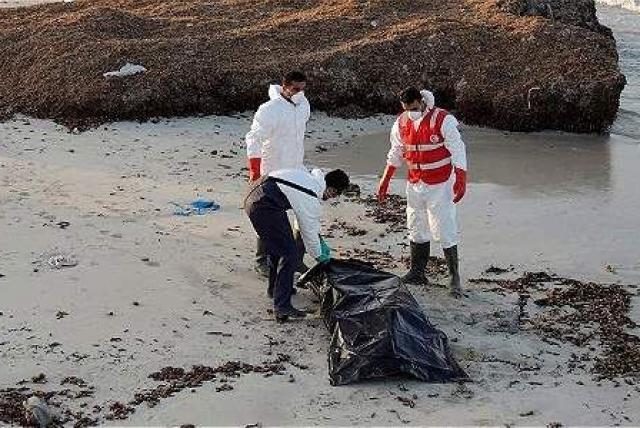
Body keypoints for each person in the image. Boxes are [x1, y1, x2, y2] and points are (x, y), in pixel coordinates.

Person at [376, 87, 468, 297]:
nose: (411, 112)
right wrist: (385, 179)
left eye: (415, 108)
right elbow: (396, 151)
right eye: (407, 109)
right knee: (415, 224)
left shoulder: (442, 119)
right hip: (415, 183)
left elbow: (457, 149)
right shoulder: (401, 122)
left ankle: (454, 277)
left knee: (444, 226)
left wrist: (461, 178)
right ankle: (417, 271)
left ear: (422, 102)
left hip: (440, 183)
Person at [244, 168, 350, 322]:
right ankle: (282, 307)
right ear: (331, 188)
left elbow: (302, 222)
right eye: (333, 194)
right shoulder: (311, 194)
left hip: (256, 194)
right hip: (264, 204)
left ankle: (275, 290)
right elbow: (308, 232)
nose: (331, 198)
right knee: (290, 254)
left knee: (278, 249)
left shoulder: (310, 180)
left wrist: (319, 241)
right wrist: (320, 256)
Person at [245, 71, 311, 278]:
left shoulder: (303, 106)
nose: (299, 93)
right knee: (270, 215)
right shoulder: (269, 110)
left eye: (303, 88)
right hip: (272, 170)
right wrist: (255, 172)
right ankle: (262, 258)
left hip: (296, 168)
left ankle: (297, 257)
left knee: (305, 210)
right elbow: (253, 139)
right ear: (284, 87)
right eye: (295, 89)